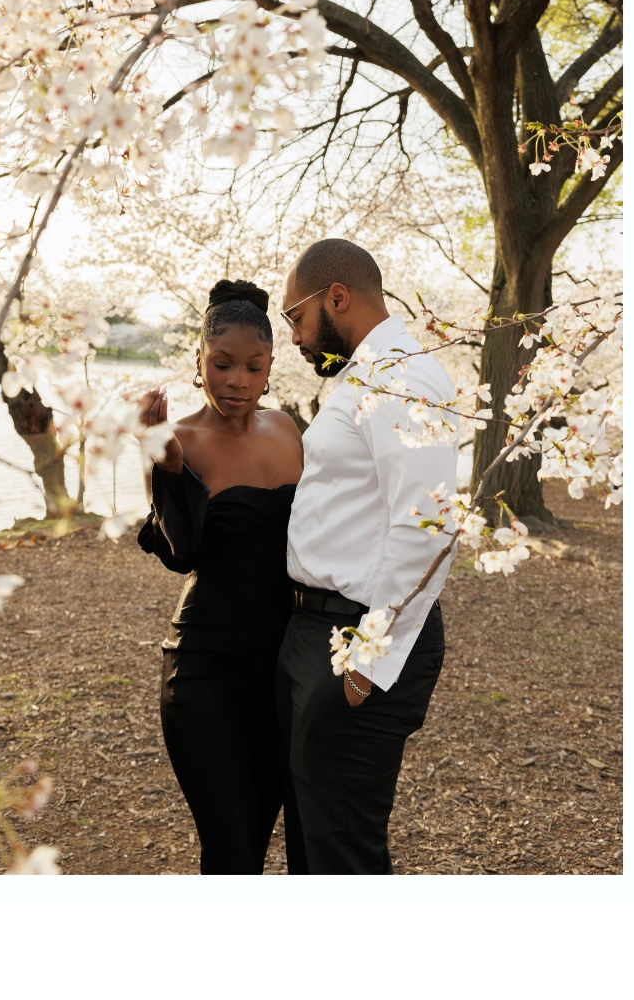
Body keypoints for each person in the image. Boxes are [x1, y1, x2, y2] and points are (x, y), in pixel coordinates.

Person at [273, 237, 456, 874]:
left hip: (358, 638)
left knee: (342, 852)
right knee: (314, 842)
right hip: (317, 630)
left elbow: (428, 523)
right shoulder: (364, 375)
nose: (293, 337)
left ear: (338, 298)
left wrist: (367, 663)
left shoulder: (401, 375)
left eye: (294, 316)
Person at [135, 279, 304, 874]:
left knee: (261, 840)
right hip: (207, 670)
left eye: (252, 367)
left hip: (284, 672)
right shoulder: (177, 438)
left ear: (269, 368)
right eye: (222, 364)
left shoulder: (288, 432)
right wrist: (170, 469)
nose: (236, 380)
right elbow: (182, 553)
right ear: (198, 361)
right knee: (231, 852)